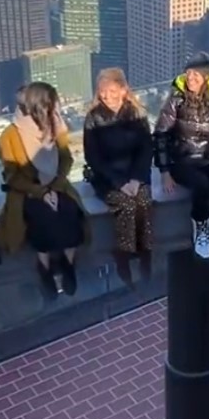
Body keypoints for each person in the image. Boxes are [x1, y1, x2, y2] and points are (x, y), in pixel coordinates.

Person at [0, 81, 87, 297]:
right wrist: (41, 192)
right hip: (27, 191)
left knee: (69, 211)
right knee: (41, 216)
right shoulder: (11, 135)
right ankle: (44, 266)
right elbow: (13, 176)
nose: (55, 107)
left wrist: (54, 187)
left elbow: (66, 159)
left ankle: (68, 263)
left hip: (57, 185)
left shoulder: (56, 126)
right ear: (40, 106)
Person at [154, 51, 209, 260]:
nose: (190, 79)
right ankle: (200, 230)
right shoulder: (177, 98)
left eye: (196, 76)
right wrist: (164, 171)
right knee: (201, 186)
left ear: (208, 78)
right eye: (188, 74)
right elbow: (161, 134)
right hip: (182, 158)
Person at [84, 68, 154, 286]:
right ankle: (124, 254)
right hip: (107, 177)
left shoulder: (136, 112)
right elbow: (94, 158)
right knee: (126, 204)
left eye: (113, 90)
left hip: (136, 173)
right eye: (102, 91)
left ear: (124, 90)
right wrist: (120, 183)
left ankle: (144, 252)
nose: (107, 96)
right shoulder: (93, 118)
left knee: (143, 200)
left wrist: (135, 179)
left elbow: (146, 148)